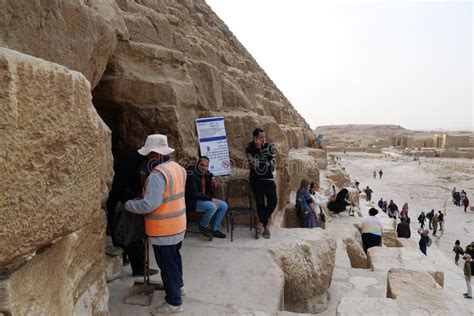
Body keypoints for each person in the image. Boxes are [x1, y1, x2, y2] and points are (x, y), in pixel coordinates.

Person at [124, 134, 186, 314]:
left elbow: (149, 204)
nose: (148, 157)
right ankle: (179, 286)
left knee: (167, 266)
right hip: (178, 225)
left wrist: (129, 205)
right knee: (175, 259)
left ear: (155, 153)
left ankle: (174, 302)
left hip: (164, 229)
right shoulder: (178, 168)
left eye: (149, 153)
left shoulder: (157, 176)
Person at [105, 150, 158, 277]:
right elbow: (139, 181)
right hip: (126, 201)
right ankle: (139, 268)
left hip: (116, 199)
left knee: (119, 231)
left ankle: (123, 258)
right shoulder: (142, 162)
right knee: (134, 235)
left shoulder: (132, 156)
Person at [246, 128, 277, 239]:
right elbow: (254, 163)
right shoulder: (250, 148)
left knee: (273, 201)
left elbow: (273, 162)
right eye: (261, 137)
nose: (263, 139)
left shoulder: (269, 147)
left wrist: (261, 163)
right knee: (260, 203)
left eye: (264, 137)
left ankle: (260, 222)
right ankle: (265, 227)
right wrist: (259, 150)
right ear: (255, 138)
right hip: (256, 180)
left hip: (268, 179)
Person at [185, 156, 228, 238]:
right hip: (193, 201)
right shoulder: (192, 175)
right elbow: (194, 194)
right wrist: (210, 198)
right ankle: (203, 226)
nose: (204, 168)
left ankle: (215, 229)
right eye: (202, 165)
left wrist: (213, 179)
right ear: (197, 164)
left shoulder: (206, 173)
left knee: (224, 205)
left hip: (204, 199)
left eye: (206, 166)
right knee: (212, 206)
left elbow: (210, 174)